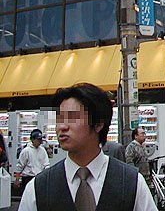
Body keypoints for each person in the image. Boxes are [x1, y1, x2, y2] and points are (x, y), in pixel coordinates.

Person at [18, 82, 156, 211]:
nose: (62, 127)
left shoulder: (132, 183)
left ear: (98, 124)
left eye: (72, 117)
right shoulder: (38, 188)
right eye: (59, 119)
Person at [14, 129, 50, 195]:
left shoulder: (42, 150)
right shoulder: (26, 151)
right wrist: (17, 179)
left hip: (39, 177)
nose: (40, 142)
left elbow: (46, 164)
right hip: (28, 177)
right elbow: (20, 166)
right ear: (33, 140)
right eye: (38, 140)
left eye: (41, 140)